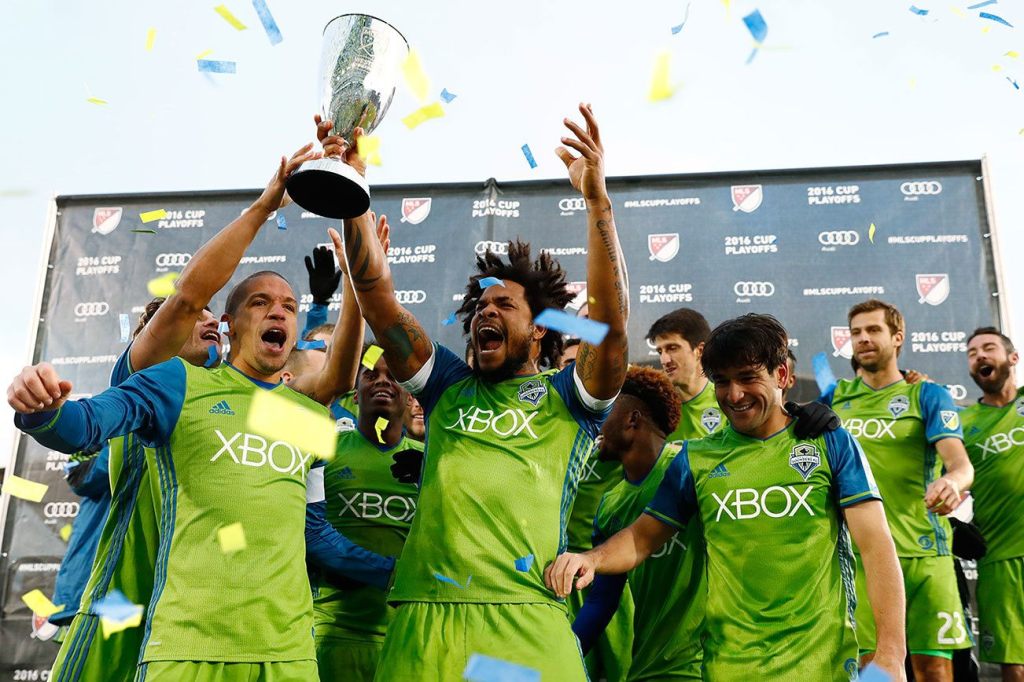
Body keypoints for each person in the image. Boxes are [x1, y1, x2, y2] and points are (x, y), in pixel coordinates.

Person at [9, 144, 395, 682]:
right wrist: (43, 412)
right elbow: (84, 421)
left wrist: (354, 255)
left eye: (289, 306)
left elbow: (332, 380)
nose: (208, 322)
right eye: (259, 303)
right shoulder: (168, 382)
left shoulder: (286, 413)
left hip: (278, 648)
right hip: (128, 612)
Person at [321, 102, 629, 679]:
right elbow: (377, 298)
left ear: (540, 329)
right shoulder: (447, 385)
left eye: (503, 305)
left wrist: (597, 204)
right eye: (480, 306)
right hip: (423, 618)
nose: (486, 312)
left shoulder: (571, 398)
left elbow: (609, 328)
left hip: (525, 620)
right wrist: (353, 183)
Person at [546, 314, 908, 681]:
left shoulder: (830, 442)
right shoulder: (695, 459)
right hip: (728, 669)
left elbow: (876, 546)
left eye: (748, 378)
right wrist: (591, 559)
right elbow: (641, 539)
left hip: (821, 668)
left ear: (781, 374)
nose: (734, 395)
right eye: (722, 381)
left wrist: (892, 652)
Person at [821, 299, 974, 680]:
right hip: (860, 557)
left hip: (923, 552)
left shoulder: (927, 394)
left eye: (874, 330)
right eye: (856, 332)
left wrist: (951, 482)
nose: (863, 338)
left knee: (933, 669)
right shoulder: (835, 398)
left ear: (897, 337)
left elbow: (961, 465)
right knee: (875, 669)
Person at [572, 365, 704, 680]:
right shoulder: (610, 505)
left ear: (632, 419)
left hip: (702, 667)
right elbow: (602, 601)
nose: (595, 422)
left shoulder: (694, 470)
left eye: (605, 410)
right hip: (646, 668)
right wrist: (561, 653)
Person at [311, 347, 423, 681]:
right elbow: (308, 533)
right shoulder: (324, 451)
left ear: (409, 395)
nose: (382, 382)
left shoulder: (430, 461)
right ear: (356, 394)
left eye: (393, 376)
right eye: (371, 374)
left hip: (406, 637)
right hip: (335, 635)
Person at [961, 327, 1023, 680]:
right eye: (972, 353)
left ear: (1013, 358)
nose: (980, 355)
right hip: (1000, 558)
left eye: (988, 348)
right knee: (1015, 664)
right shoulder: (962, 423)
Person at [647, 308, 724, 444]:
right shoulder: (652, 407)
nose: (664, 360)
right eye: (660, 352)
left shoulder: (726, 402)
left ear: (700, 351)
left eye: (672, 348)